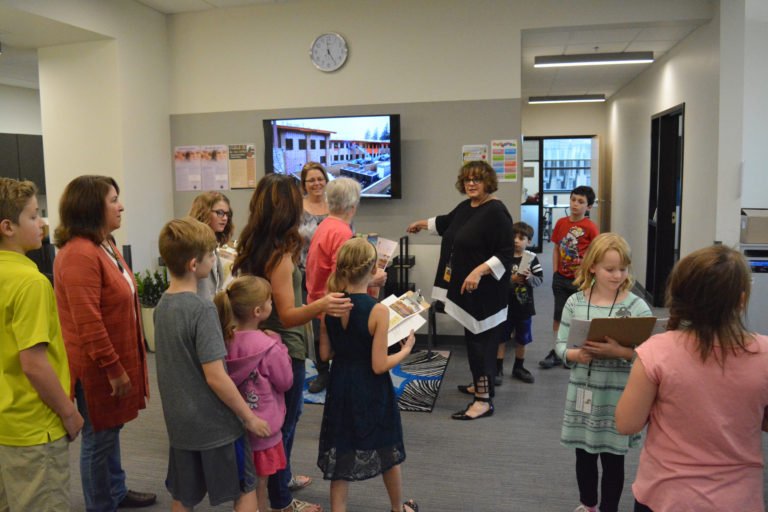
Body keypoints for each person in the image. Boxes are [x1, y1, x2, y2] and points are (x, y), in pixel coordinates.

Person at [616, 245, 768, 512]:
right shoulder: (764, 354)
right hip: (738, 500)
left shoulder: (656, 351)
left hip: (665, 496)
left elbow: (627, 423)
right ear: (741, 301)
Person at [233, 173, 352, 512]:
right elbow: (287, 315)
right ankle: (282, 500)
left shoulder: (254, 243)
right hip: (283, 348)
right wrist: (323, 304)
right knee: (284, 424)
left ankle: (280, 480)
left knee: (276, 421)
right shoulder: (279, 256)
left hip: (263, 343)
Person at [154, 217, 270, 511]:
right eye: (211, 255)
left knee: (183, 495)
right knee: (245, 488)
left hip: (180, 424)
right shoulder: (202, 309)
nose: (215, 259)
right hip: (217, 425)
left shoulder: (161, 306)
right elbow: (216, 376)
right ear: (195, 264)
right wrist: (249, 418)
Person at [53, 175, 155, 511]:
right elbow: (89, 324)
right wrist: (114, 368)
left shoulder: (103, 244)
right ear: (92, 207)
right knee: (98, 440)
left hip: (112, 362)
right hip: (97, 369)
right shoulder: (79, 254)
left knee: (110, 433)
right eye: (113, 200)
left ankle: (115, 491)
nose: (121, 205)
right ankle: (101, 504)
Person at [0, 178, 84, 511]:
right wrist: (69, 414)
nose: (43, 224)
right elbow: (34, 364)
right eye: (33, 216)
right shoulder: (30, 282)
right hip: (35, 428)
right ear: (7, 226)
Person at [407, 160, 514, 420]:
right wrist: (420, 223)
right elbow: (445, 223)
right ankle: (480, 385)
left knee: (481, 345)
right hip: (468, 291)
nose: (471, 184)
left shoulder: (497, 211)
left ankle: (483, 401)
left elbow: (506, 253)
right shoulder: (467, 207)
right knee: (473, 341)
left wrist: (478, 270)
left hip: (486, 294)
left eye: (477, 179)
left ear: (488, 182)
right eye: (467, 179)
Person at [317, 238, 418, 512]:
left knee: (341, 453)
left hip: (340, 385)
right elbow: (378, 364)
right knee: (387, 448)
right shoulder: (378, 310)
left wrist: (348, 347)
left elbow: (325, 354)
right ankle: (398, 508)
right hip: (371, 388)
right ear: (374, 269)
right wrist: (406, 349)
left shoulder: (330, 305)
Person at [554, 233, 651, 512]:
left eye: (623, 269)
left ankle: (609, 509)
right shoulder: (575, 302)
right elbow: (560, 344)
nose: (617, 275)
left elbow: (650, 357)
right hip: (582, 392)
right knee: (583, 456)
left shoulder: (636, 306)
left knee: (613, 460)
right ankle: (588, 505)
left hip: (618, 397)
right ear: (593, 266)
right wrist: (576, 355)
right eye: (610, 269)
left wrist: (618, 352)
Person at [215, 275, 294, 512]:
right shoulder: (269, 346)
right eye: (270, 301)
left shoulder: (222, 341)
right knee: (259, 487)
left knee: (242, 485)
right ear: (258, 311)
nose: (273, 304)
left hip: (235, 428)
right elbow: (286, 382)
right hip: (263, 430)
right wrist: (281, 346)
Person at [305, 177, 386, 393]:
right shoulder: (342, 233)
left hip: (318, 299)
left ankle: (326, 376)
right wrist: (374, 279)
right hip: (336, 306)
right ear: (353, 205)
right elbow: (343, 278)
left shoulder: (324, 226)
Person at [540, 185, 599, 369]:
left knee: (578, 316)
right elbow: (557, 248)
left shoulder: (590, 227)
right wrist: (556, 271)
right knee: (559, 315)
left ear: (588, 207)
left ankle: (575, 351)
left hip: (581, 280)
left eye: (580, 202)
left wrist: (588, 275)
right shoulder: (561, 223)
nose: (575, 204)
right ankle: (558, 351)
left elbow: (596, 252)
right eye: (573, 200)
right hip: (561, 278)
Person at [494, 221, 543, 385]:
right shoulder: (503, 257)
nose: (516, 240)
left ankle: (518, 367)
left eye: (521, 238)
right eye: (513, 237)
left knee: (522, 339)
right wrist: (512, 280)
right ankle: (498, 368)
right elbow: (496, 280)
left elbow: (539, 281)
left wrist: (529, 278)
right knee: (501, 338)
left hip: (524, 307)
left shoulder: (532, 259)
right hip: (504, 307)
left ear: (528, 241)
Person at [297, 163, 330, 394]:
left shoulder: (336, 205)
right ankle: (322, 372)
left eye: (320, 178)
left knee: (336, 322)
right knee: (316, 325)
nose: (317, 183)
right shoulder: (297, 209)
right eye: (311, 180)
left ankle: (341, 369)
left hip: (334, 276)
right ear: (304, 184)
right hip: (306, 275)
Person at [189, 191, 234, 301]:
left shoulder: (212, 243)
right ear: (204, 212)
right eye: (219, 212)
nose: (225, 218)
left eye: (227, 214)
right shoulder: (194, 244)